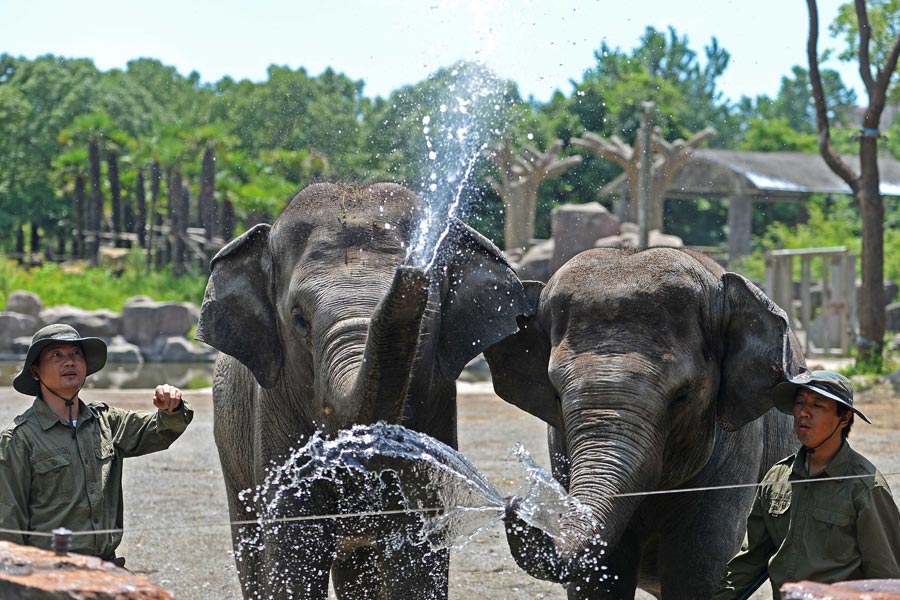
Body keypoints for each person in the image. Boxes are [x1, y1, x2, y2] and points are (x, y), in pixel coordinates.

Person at [0, 323, 193, 564]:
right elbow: (8, 525)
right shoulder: (19, 438)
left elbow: (160, 431)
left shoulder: (106, 422)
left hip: (106, 566)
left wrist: (171, 408)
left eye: (76, 354)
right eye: (56, 355)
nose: (69, 362)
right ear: (35, 371)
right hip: (47, 574)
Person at [716, 370, 900, 599]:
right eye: (800, 403)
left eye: (817, 405)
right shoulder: (777, 477)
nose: (804, 413)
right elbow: (751, 560)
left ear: (844, 418)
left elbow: (886, 578)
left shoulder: (866, 487)